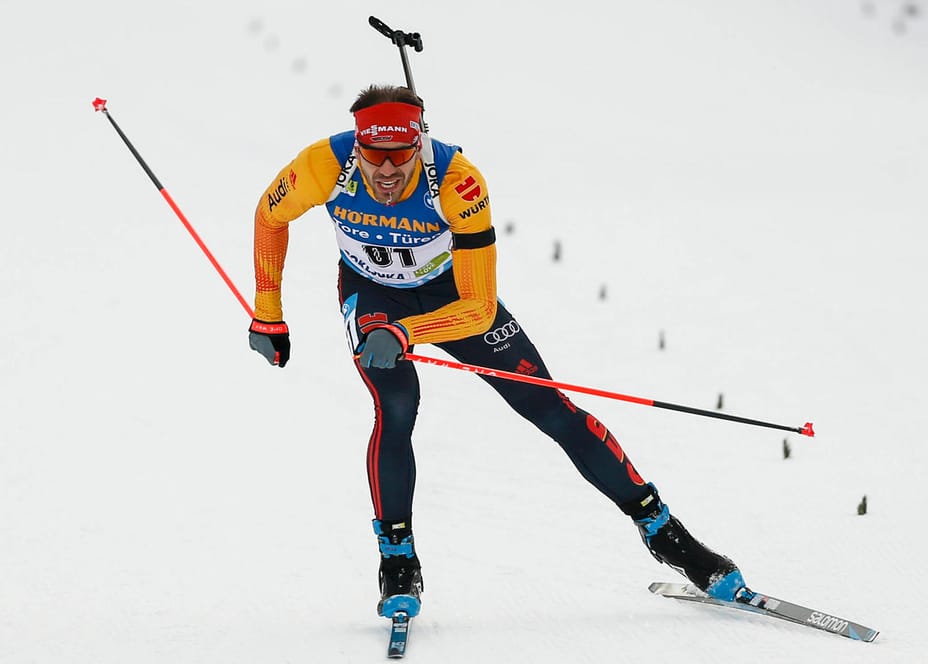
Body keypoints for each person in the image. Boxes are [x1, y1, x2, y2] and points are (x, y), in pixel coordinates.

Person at [248, 84, 746, 620]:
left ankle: (665, 533)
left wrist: (407, 333)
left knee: (549, 407)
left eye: (401, 156)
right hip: (373, 295)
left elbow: (480, 310)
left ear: (419, 143)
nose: (387, 171)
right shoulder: (322, 165)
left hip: (453, 297)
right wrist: (268, 311)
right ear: (357, 147)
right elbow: (270, 217)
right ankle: (397, 559)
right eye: (374, 157)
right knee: (396, 409)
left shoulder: (458, 182)